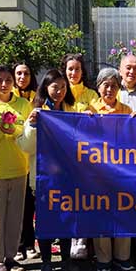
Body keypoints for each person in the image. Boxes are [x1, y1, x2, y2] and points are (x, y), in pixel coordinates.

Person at [18, 69, 89, 271]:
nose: (59, 91)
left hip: (67, 177)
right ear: (45, 88)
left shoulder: (70, 111)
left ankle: (66, 261)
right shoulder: (37, 112)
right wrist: (31, 125)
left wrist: (88, 120)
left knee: (66, 219)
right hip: (43, 179)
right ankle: (47, 263)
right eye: (54, 87)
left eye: (63, 87)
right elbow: (26, 146)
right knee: (45, 221)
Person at [0, 65, 33, 271]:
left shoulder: (23, 104)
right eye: (0, 80)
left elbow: (29, 133)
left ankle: (11, 256)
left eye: (8, 80)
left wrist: (14, 130)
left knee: (14, 218)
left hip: (20, 168)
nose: (4, 84)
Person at [89, 68, 136, 271]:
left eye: (114, 86)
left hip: (121, 171)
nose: (109, 89)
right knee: (101, 213)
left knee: (123, 212)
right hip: (98, 172)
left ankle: (122, 257)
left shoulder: (126, 110)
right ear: (98, 87)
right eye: (105, 85)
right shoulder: (90, 109)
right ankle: (103, 259)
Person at [61, 53, 98, 258]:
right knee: (68, 198)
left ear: (82, 72)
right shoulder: (59, 93)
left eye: (77, 69)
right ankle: (68, 240)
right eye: (70, 69)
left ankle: (82, 241)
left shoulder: (91, 95)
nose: (73, 73)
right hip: (64, 155)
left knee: (84, 199)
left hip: (86, 156)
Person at [12, 63, 40, 262]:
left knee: (30, 205)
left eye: (26, 73)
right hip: (13, 158)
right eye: (19, 74)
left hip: (32, 159)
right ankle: (19, 245)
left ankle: (30, 243)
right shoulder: (9, 99)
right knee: (18, 208)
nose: (23, 77)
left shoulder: (36, 98)